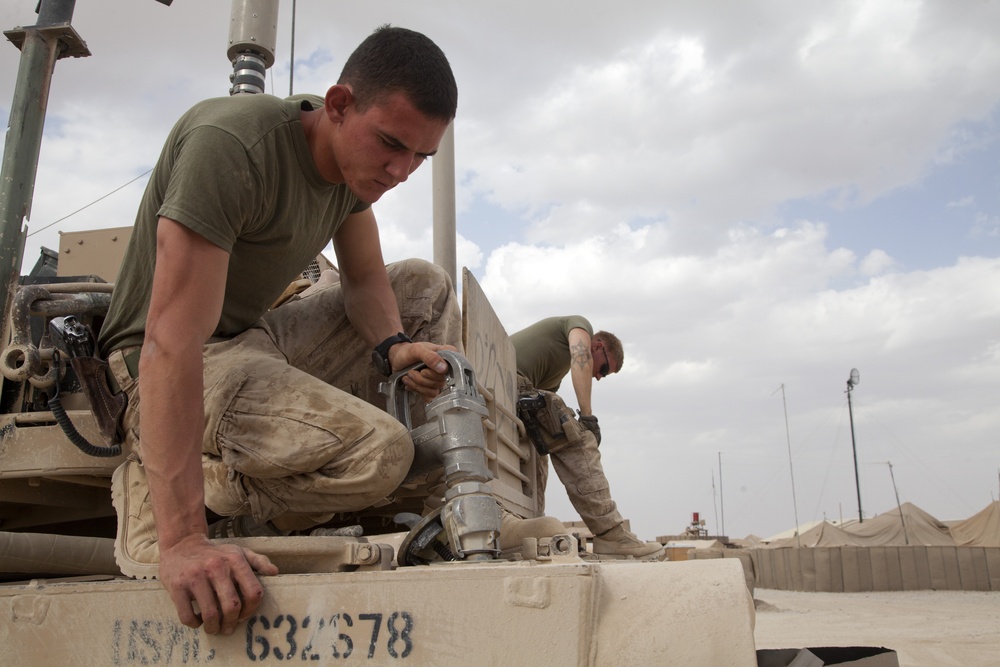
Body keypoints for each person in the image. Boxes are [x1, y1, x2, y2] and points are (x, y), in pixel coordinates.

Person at [97, 25, 461, 636]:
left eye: (421, 158)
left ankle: (417, 498)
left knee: (424, 282)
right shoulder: (232, 147)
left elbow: (368, 282)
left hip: (252, 337)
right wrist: (184, 541)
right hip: (160, 362)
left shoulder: (351, 173)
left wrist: (396, 349)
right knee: (383, 453)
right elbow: (170, 342)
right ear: (339, 104)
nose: (402, 172)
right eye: (392, 145)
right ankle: (162, 476)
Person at [511, 316, 663, 558]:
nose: (599, 377)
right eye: (604, 368)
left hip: (508, 386)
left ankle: (526, 532)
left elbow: (548, 421)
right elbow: (580, 357)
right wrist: (588, 419)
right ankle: (611, 534)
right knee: (577, 440)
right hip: (508, 379)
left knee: (541, 453)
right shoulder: (579, 326)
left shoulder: (552, 376)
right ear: (598, 346)